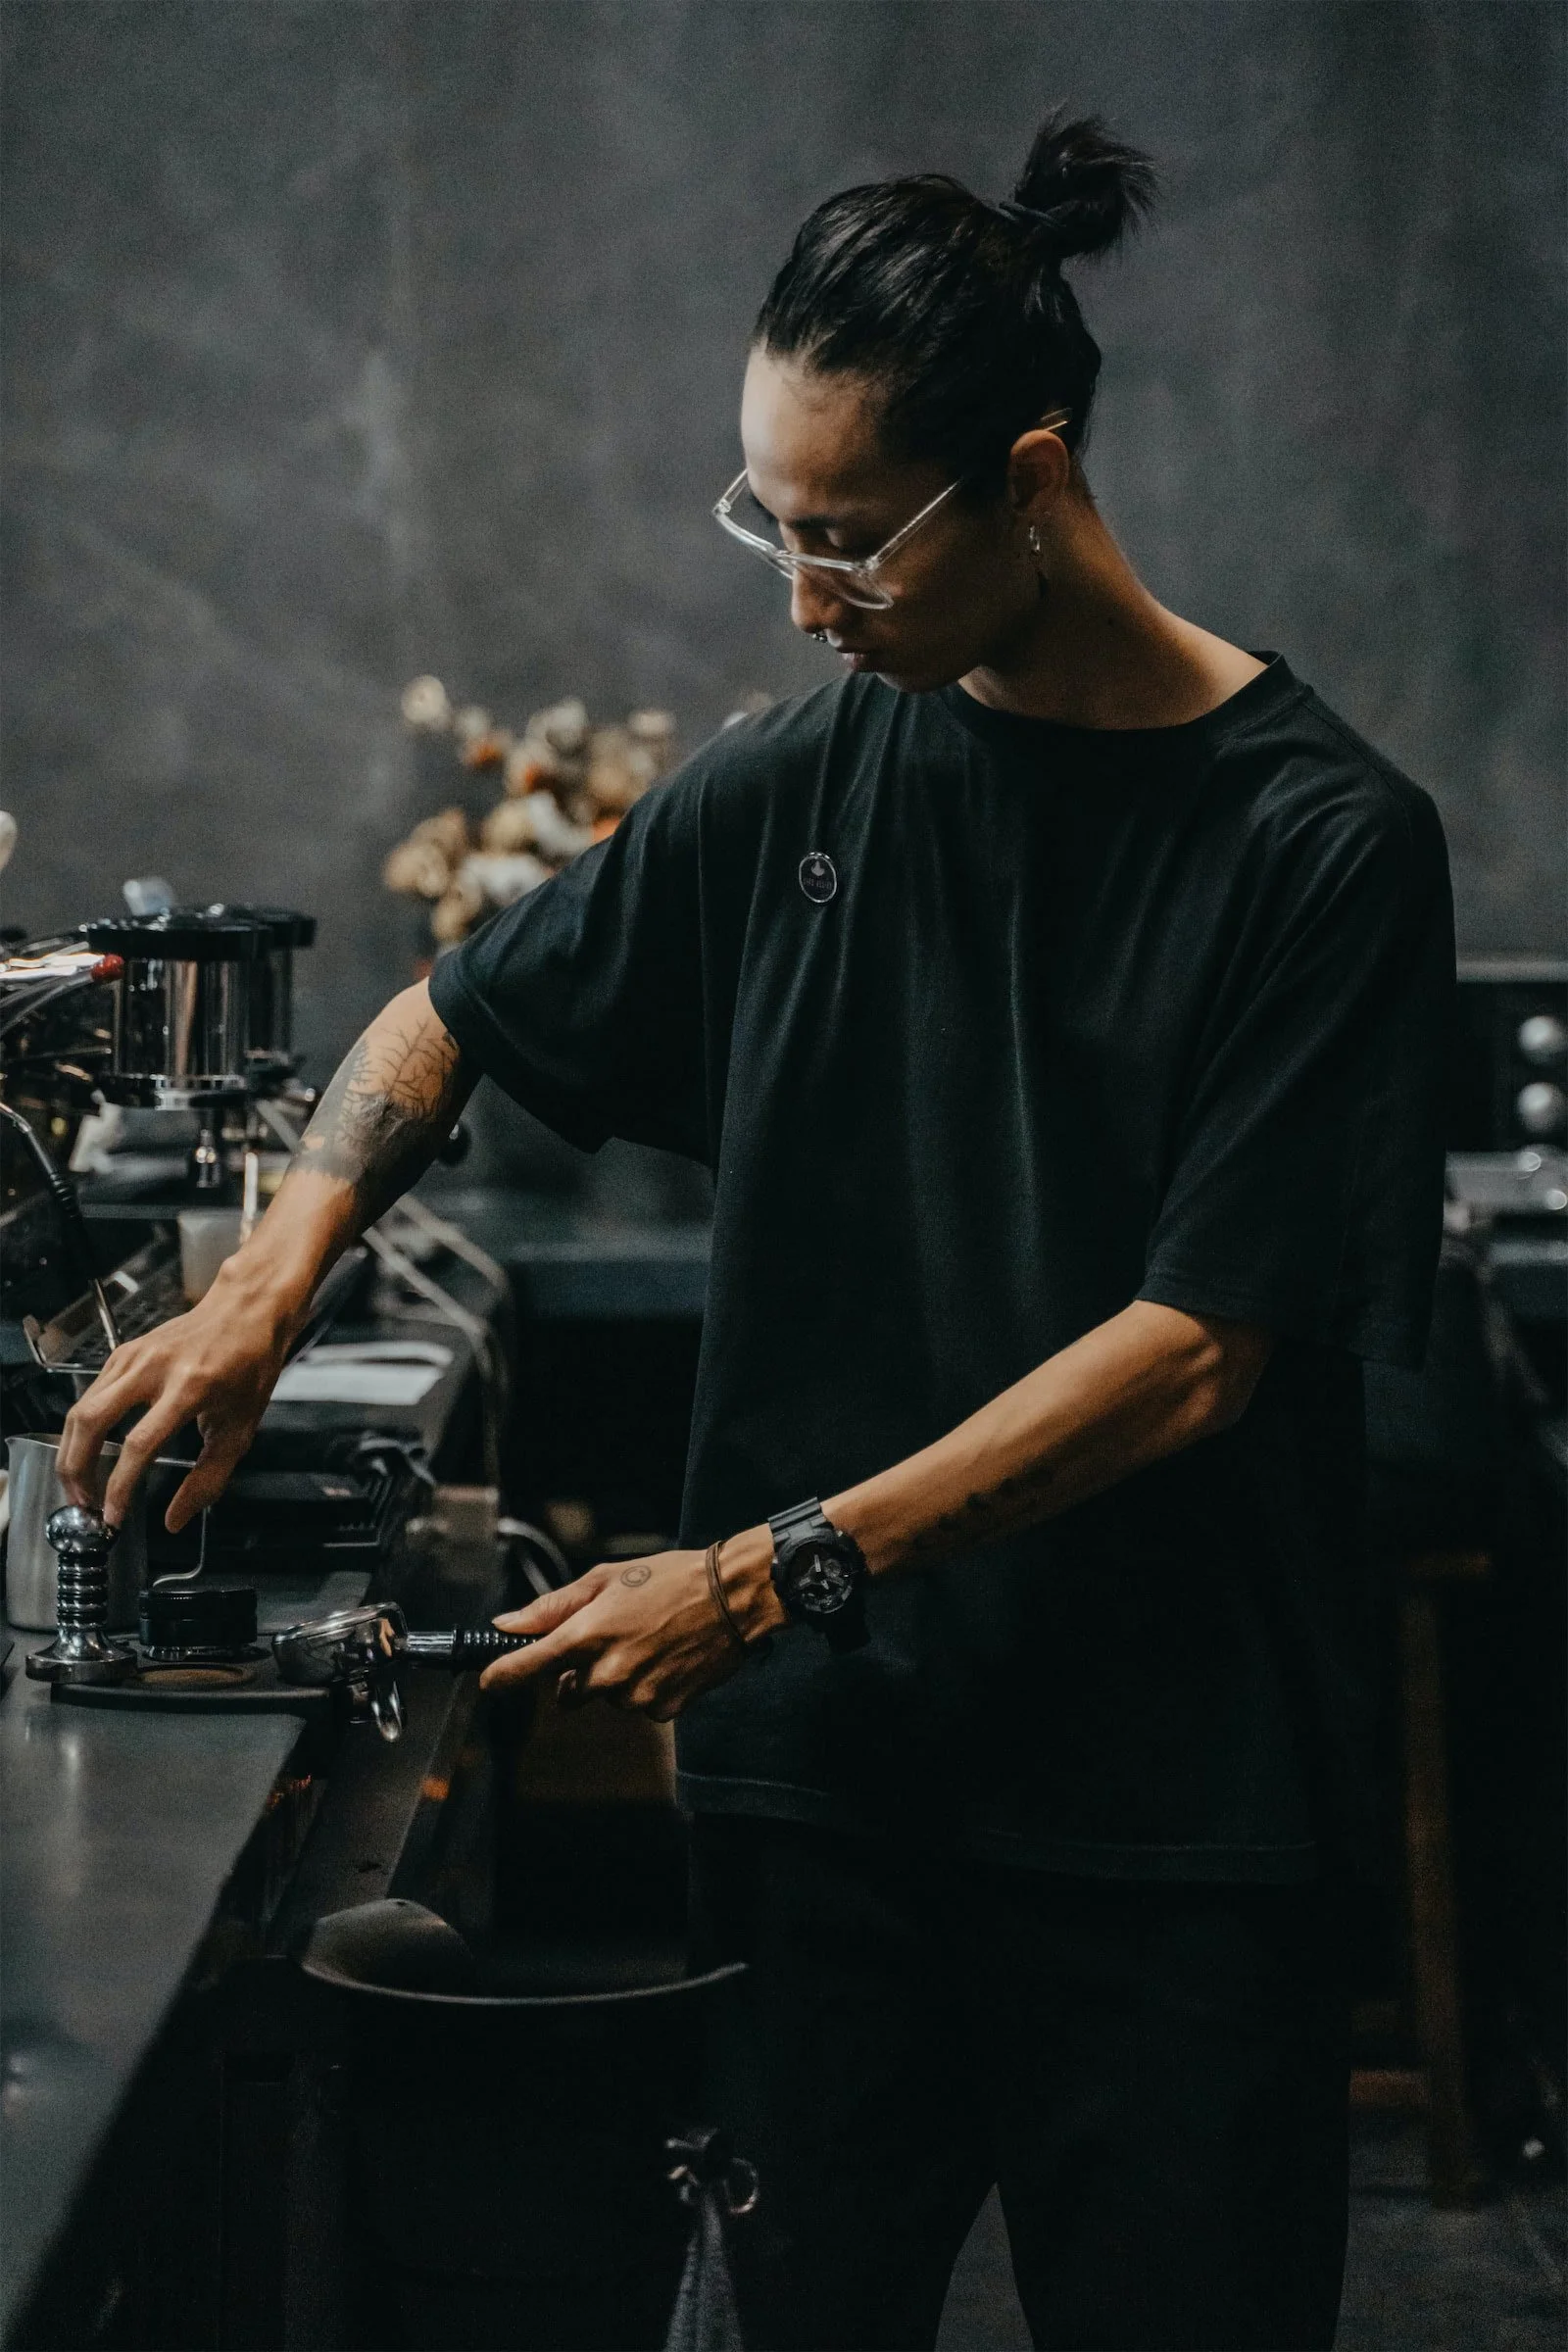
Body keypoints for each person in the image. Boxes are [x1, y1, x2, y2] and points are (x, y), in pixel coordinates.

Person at [61, 113, 1454, 2352]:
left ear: (1029, 475)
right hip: (827, 1812)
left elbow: (1197, 1345)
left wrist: (766, 1570)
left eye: (847, 543)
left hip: (1169, 1827)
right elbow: (450, 1013)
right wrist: (262, 1281)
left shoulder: (1318, 846)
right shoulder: (797, 781)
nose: (801, 600)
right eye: (768, 529)